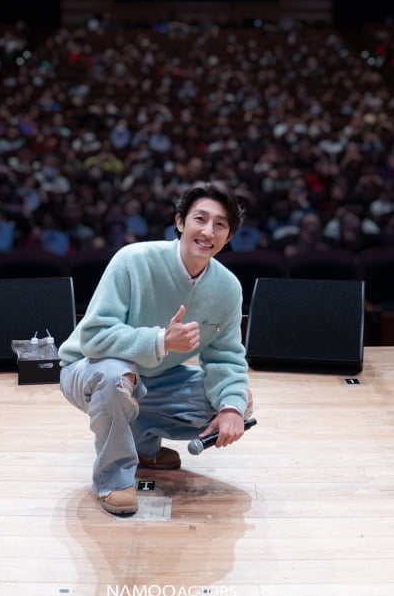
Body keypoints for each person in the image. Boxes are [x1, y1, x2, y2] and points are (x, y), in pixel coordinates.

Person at [57, 184, 252, 516]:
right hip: (87, 369)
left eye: (220, 224)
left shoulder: (227, 287)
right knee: (117, 374)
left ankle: (143, 445)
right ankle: (114, 479)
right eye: (200, 219)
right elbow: (93, 337)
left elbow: (226, 357)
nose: (208, 231)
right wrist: (160, 341)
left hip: (154, 378)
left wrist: (231, 408)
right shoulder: (133, 260)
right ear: (179, 222)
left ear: (229, 236)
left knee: (237, 402)